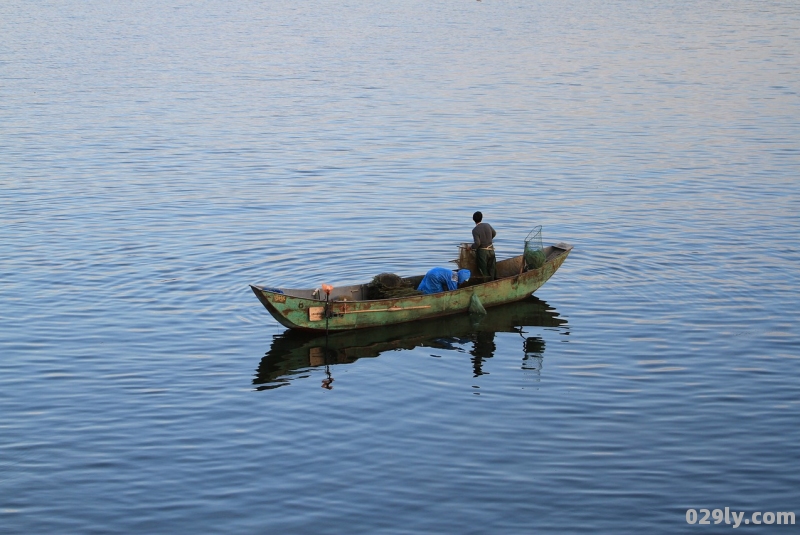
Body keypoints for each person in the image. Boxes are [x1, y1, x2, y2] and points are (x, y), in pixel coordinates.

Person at [468, 211, 497, 281]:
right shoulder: (487, 225)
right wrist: (489, 239)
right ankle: (494, 282)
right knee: (492, 268)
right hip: (491, 249)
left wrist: (471, 247)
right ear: (481, 218)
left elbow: (477, 243)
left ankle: (486, 283)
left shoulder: (475, 230)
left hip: (482, 252)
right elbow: (494, 233)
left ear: (473, 219)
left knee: (483, 270)